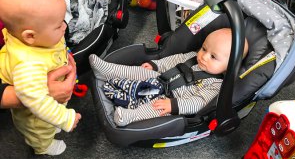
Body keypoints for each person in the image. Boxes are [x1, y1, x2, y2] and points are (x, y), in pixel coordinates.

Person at [89, 28, 249, 126]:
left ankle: (128, 116)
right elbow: (173, 60)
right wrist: (155, 65)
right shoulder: (193, 56)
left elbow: (198, 102)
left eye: (213, 57)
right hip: (159, 80)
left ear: (230, 67)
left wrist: (173, 105)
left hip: (170, 102)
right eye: (204, 48)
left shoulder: (216, 85)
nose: (204, 56)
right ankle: (108, 70)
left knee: (155, 109)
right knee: (141, 72)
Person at [0, 0, 81, 156]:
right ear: (30, 36)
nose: (65, 27)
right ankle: (43, 146)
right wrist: (64, 118)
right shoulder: (27, 66)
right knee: (41, 131)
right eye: (58, 25)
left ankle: (52, 123)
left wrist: (64, 54)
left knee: (50, 119)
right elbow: (37, 102)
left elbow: (54, 43)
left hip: (51, 98)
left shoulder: (39, 38)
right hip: (35, 116)